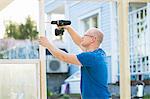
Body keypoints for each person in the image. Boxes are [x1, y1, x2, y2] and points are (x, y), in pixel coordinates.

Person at [39, 25, 110, 99]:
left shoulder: (91, 57)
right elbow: (79, 42)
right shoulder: (99, 53)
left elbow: (63, 57)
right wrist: (68, 28)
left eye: (85, 35)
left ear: (93, 39)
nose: (82, 37)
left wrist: (48, 44)